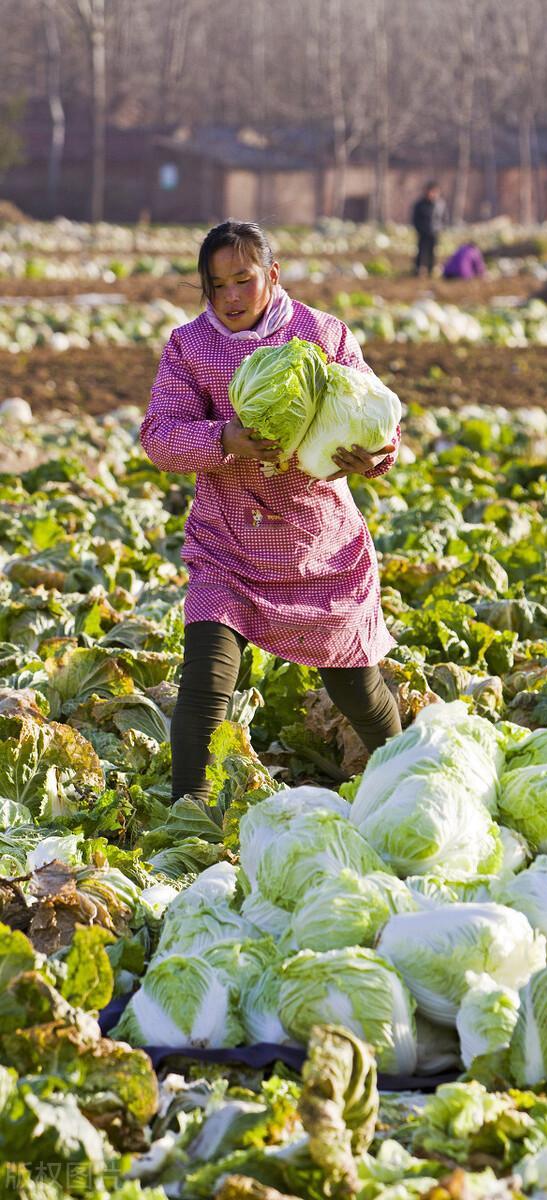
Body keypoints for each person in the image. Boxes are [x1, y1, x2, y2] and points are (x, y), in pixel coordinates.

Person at [140, 219, 402, 803]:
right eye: (217, 285)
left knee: (357, 687)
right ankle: (190, 813)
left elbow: (381, 422)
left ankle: (407, 782)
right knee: (207, 684)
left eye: (243, 280)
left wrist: (373, 457)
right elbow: (160, 437)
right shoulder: (188, 346)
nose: (231, 297)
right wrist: (225, 439)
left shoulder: (322, 333)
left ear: (271, 276)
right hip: (227, 539)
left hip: (319, 546)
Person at [411, 181, 446, 277]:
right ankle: (418, 269)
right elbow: (415, 219)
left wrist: (440, 228)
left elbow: (443, 218)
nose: (432, 194)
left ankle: (430, 269)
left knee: (432, 251)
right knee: (421, 251)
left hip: (434, 232)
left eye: (434, 192)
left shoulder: (440, 204)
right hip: (423, 232)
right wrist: (419, 229)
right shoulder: (420, 204)